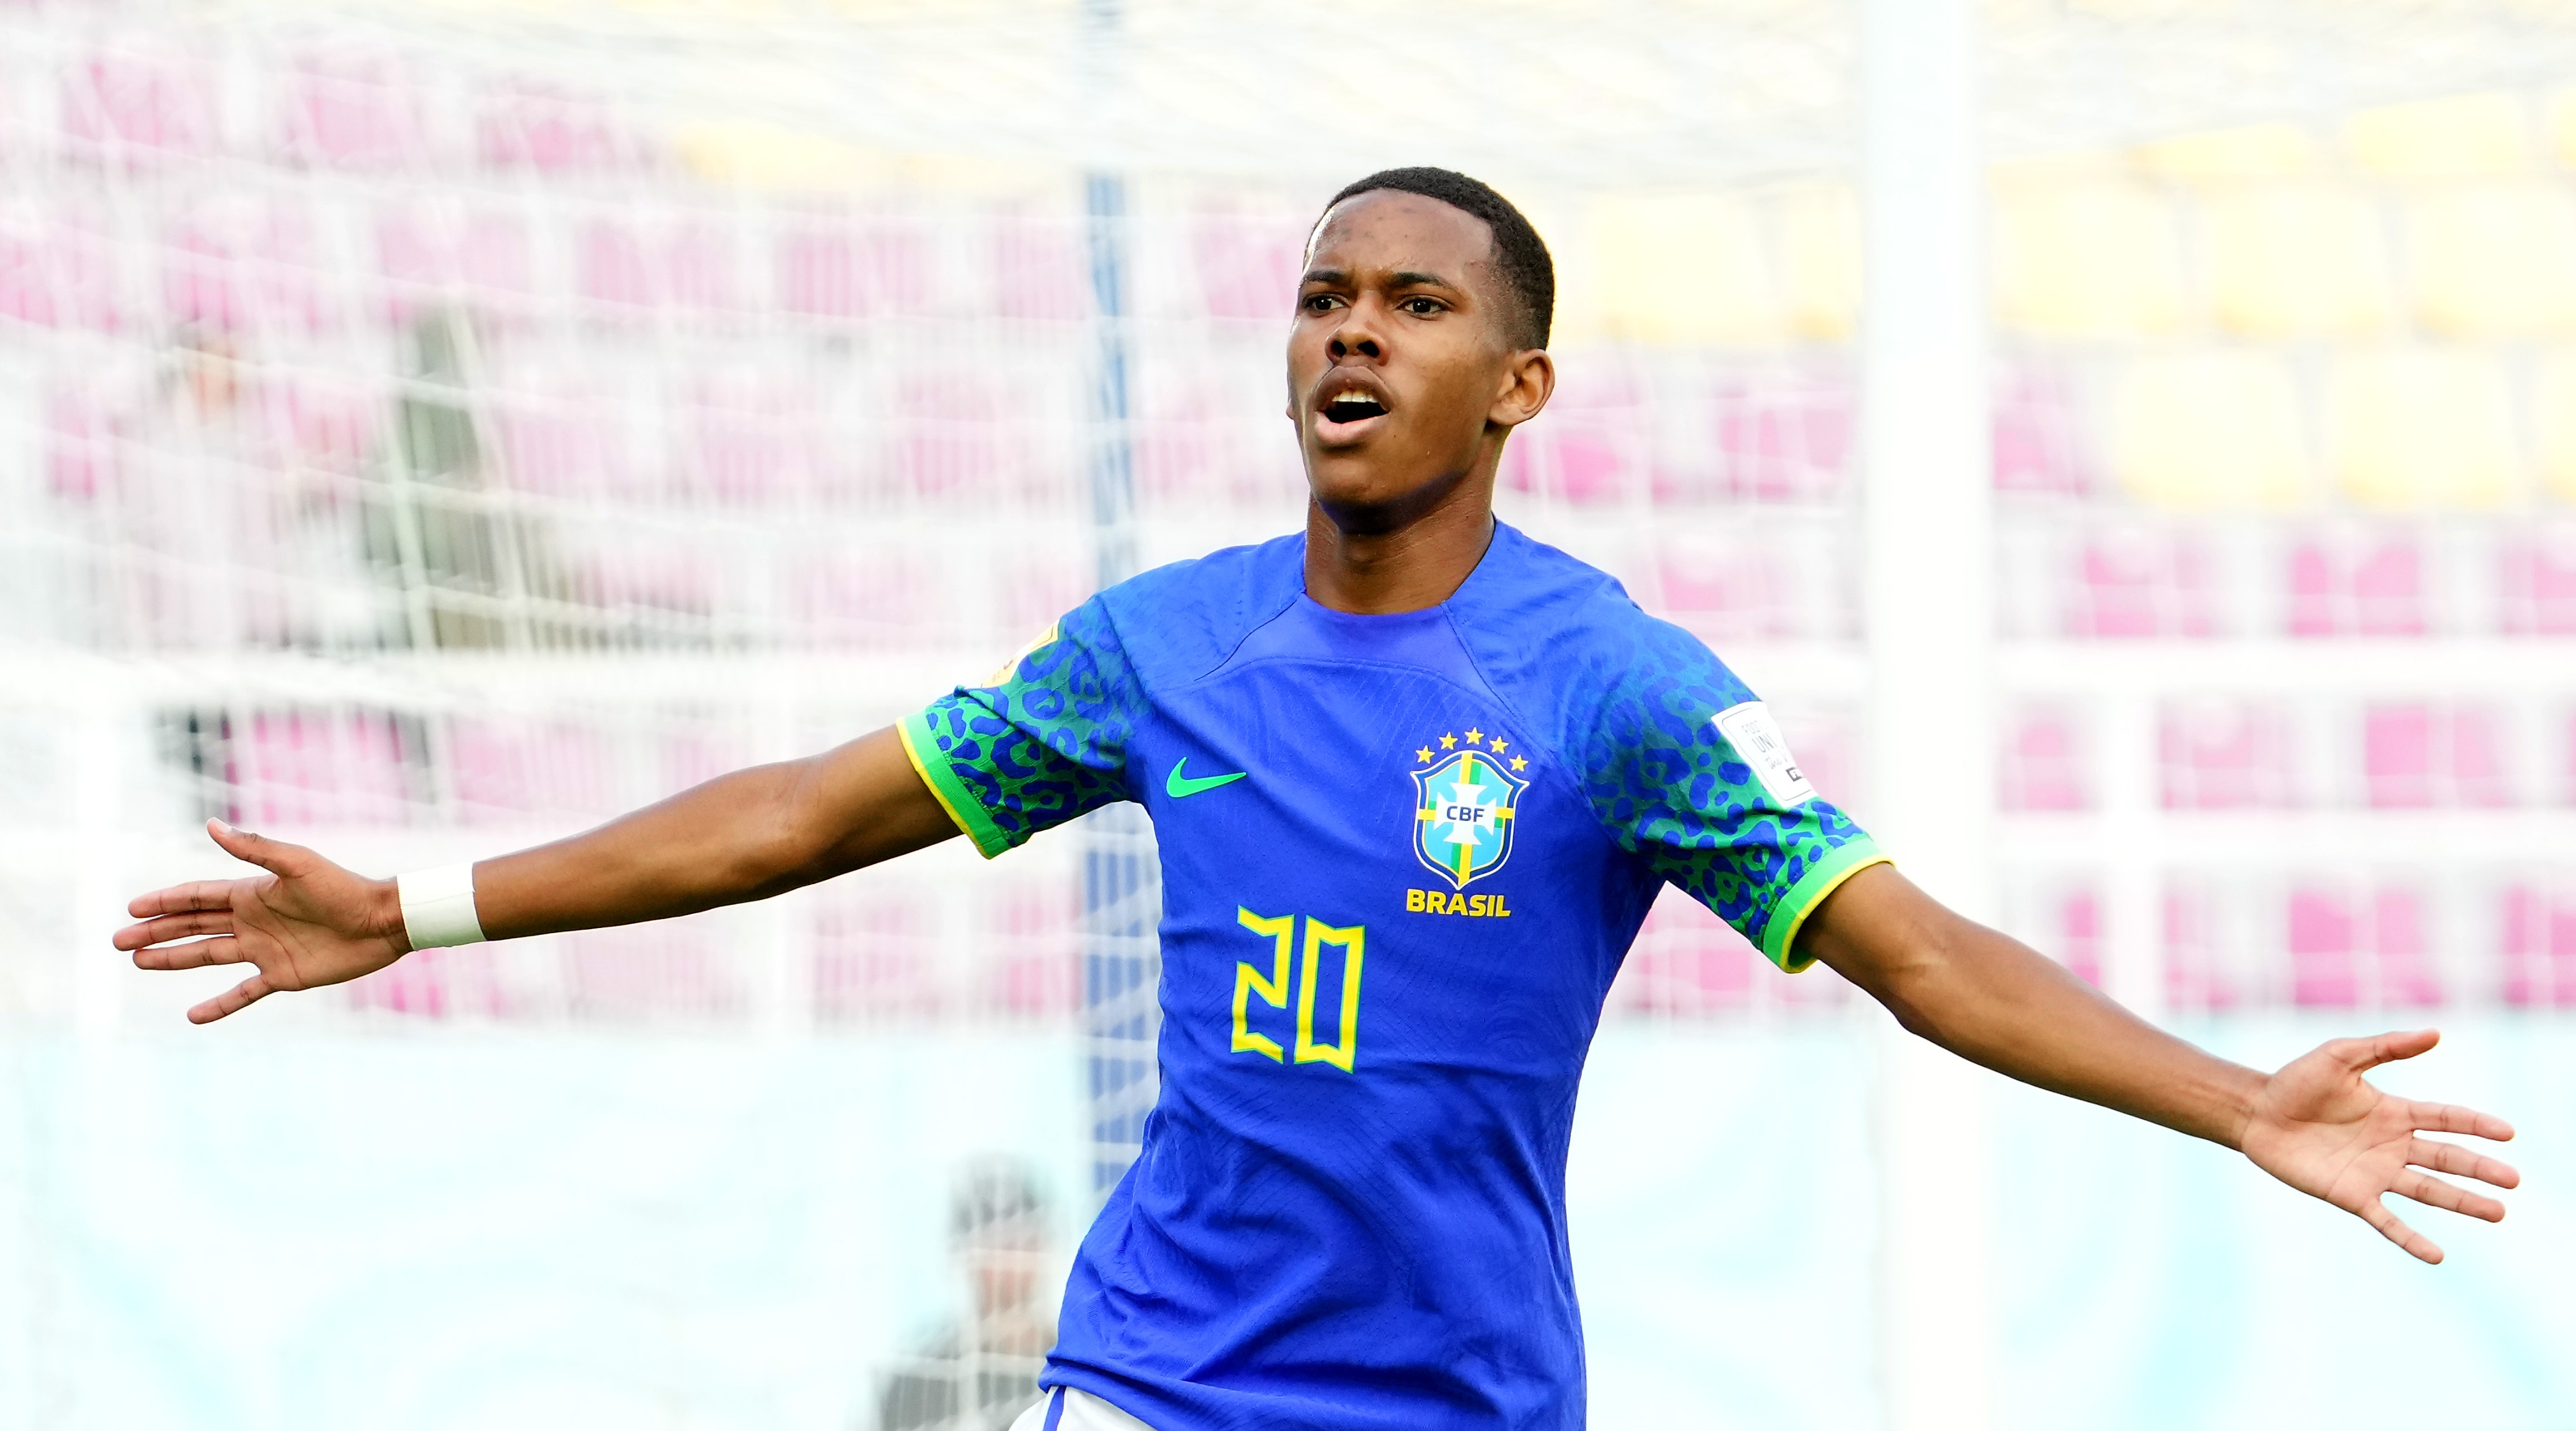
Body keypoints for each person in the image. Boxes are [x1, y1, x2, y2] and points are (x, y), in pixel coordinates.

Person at [114, 167, 2517, 1431]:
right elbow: (789, 818)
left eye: (1414, 301)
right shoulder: (1163, 648)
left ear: (1521, 381)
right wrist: (413, 903)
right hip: (1160, 1373)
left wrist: (2231, 1101)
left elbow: (1918, 955)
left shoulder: (1616, 690)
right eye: (1321, 292)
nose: (1351, 328)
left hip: (1465, 1399)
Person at [877, 1158, 1059, 1431]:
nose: (1012, 1262)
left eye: (1022, 1241)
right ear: (963, 1257)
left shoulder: (1078, 1367)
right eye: (996, 1246)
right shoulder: (920, 1383)